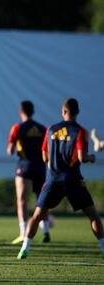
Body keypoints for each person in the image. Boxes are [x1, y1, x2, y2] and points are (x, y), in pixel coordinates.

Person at [17, 98, 104, 259]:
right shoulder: (80, 131)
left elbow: (44, 156)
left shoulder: (51, 130)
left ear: (63, 111)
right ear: (77, 112)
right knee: (93, 216)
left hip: (52, 180)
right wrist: (92, 157)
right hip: (73, 180)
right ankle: (103, 248)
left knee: (36, 216)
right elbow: (82, 157)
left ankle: (25, 249)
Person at [7, 101, 50, 244]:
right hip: (40, 168)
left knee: (22, 201)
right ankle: (45, 231)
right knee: (42, 201)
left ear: (21, 112)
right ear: (33, 112)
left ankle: (23, 232)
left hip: (24, 168)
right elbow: (46, 151)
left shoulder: (17, 128)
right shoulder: (43, 129)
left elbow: (10, 150)